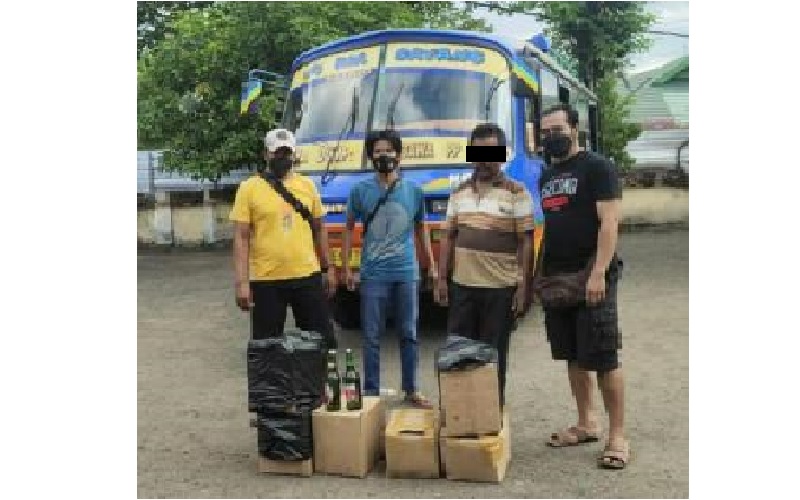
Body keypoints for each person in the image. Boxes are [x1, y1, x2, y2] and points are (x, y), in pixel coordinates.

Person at [535, 103, 629, 470]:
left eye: (558, 129)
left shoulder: (598, 168)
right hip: (558, 278)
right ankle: (587, 423)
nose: (552, 137)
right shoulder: (546, 175)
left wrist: (598, 273)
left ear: (575, 129)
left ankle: (617, 435)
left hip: (592, 275)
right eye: (545, 132)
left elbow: (609, 223)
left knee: (604, 356)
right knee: (573, 356)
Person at [435, 122, 534, 408]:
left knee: (493, 356)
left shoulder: (517, 193)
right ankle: (459, 413)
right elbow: (449, 237)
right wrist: (442, 279)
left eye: (491, 152)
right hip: (462, 288)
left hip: (499, 290)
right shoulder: (458, 192)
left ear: (502, 155)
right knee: (458, 354)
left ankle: (490, 414)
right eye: (478, 152)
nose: (484, 160)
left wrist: (523, 287)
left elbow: (526, 242)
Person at [342, 130, 435, 408]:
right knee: (371, 336)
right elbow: (348, 228)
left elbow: (422, 229)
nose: (384, 156)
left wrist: (431, 265)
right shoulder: (360, 191)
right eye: (378, 151)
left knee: (409, 332)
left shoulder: (414, 191)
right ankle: (370, 391)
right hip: (373, 274)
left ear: (399, 155)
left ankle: (412, 389)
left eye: (389, 151)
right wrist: (347, 267)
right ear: (371, 156)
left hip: (406, 272)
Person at [230, 128, 337, 347]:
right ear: (266, 155)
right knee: (266, 348)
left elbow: (319, 229)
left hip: (307, 275)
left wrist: (329, 268)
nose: (282, 158)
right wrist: (242, 282)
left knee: (322, 343)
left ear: (294, 154)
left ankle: (318, 382)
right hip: (266, 280)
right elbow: (241, 237)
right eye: (276, 153)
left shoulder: (307, 186)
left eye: (286, 153)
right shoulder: (249, 189)